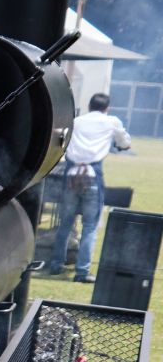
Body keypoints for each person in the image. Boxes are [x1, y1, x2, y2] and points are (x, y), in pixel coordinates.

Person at [49, 92, 132, 283]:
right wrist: (121, 145)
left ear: (89, 106)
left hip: (70, 175)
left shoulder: (76, 121)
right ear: (107, 108)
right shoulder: (112, 121)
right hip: (92, 176)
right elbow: (124, 143)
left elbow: (62, 141)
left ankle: (56, 265)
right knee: (90, 227)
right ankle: (82, 272)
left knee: (65, 224)